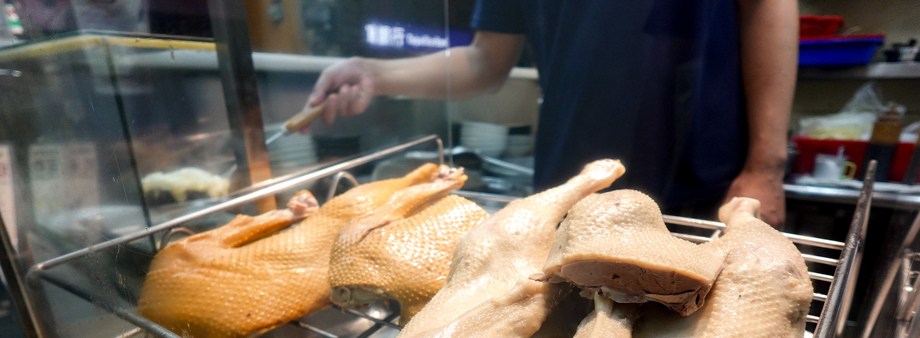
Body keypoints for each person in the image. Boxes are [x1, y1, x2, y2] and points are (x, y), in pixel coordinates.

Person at [307, 0, 797, 228]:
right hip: (570, 189)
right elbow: (484, 61)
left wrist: (765, 167)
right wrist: (373, 72)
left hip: (698, 184)